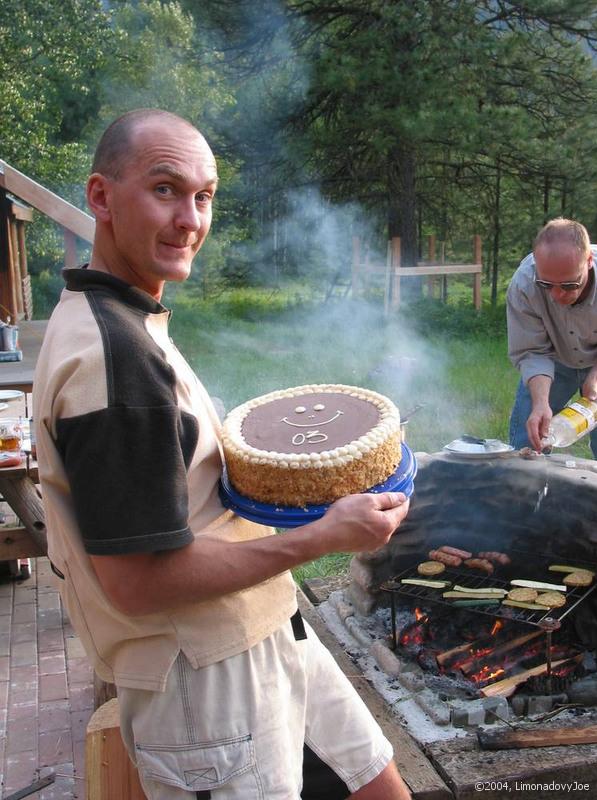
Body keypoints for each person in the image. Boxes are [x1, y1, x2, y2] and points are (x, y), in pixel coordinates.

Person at [33, 109, 412, 800]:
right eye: (165, 189)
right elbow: (138, 580)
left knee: (379, 787)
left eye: (203, 196)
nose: (190, 219)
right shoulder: (115, 363)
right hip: (204, 688)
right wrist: (323, 535)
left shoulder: (124, 317)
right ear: (101, 196)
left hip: (262, 633)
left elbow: (180, 483)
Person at [507, 218, 597, 459]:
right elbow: (532, 351)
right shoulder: (525, 284)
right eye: (547, 284)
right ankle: (525, 496)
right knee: (527, 444)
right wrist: (540, 403)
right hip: (554, 358)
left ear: (588, 261)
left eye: (569, 285)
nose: (558, 295)